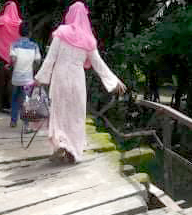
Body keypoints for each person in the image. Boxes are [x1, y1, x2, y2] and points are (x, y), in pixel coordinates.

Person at [34, 1, 127, 163]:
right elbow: (98, 64)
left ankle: (61, 144)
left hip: (60, 78)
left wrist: (39, 79)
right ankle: (73, 150)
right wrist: (114, 81)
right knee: (76, 115)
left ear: (70, 14)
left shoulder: (61, 33)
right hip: (77, 79)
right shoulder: (89, 39)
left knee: (59, 112)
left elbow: (50, 59)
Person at [0, 1, 21, 112]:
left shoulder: (0, 21)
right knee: (10, 82)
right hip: (13, 59)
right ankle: (9, 105)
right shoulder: (19, 24)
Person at [8, 21, 42, 128]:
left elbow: (13, 60)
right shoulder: (34, 46)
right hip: (28, 78)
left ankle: (13, 121)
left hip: (16, 77)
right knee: (26, 100)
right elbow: (38, 61)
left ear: (19, 32)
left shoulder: (14, 45)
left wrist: (12, 65)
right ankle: (26, 124)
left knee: (14, 98)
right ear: (30, 33)